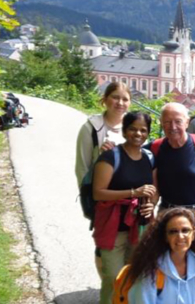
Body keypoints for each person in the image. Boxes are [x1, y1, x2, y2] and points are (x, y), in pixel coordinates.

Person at [90, 111, 157, 304]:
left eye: (143, 130)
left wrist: (151, 204)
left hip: (139, 226)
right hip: (112, 227)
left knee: (135, 275)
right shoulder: (111, 157)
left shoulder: (149, 158)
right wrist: (133, 193)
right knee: (113, 277)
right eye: (133, 129)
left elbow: (154, 189)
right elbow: (98, 192)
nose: (138, 134)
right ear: (125, 131)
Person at [74, 82, 129, 288]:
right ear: (104, 99)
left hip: (128, 198)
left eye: (125, 99)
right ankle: (107, 284)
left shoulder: (133, 126)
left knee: (128, 245)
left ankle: (121, 288)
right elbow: (82, 167)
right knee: (104, 245)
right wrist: (91, 201)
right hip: (103, 200)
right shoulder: (92, 127)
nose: (120, 103)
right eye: (115, 97)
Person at [122, 207, 195, 303]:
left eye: (185, 230)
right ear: (165, 237)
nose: (180, 236)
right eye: (173, 231)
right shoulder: (151, 270)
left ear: (193, 235)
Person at [153, 103, 195, 210]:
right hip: (167, 213)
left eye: (178, 121)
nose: (173, 127)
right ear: (161, 123)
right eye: (167, 122)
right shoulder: (155, 147)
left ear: (187, 122)